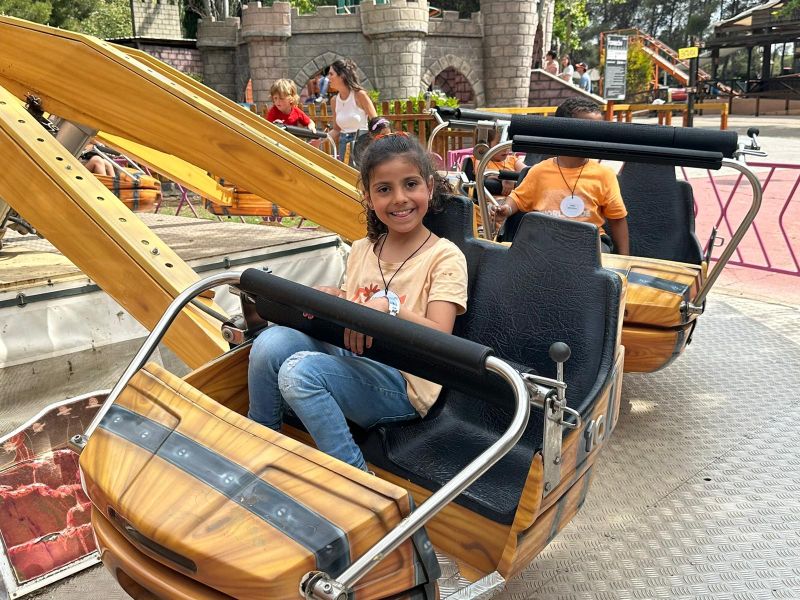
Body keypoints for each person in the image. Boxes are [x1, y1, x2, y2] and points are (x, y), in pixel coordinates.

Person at [247, 134, 468, 471]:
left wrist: (390, 306)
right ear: (368, 197)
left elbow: (441, 335)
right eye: (384, 189)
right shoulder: (363, 249)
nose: (399, 198)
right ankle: (261, 446)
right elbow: (355, 308)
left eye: (410, 184)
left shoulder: (445, 256)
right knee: (269, 343)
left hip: (405, 380)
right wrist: (333, 301)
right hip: (353, 358)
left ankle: (359, 480)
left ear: (429, 187)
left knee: (299, 373)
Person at [492, 98, 630, 254]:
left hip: (589, 241)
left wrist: (625, 258)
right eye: (588, 132)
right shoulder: (539, 171)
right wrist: (506, 209)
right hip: (547, 239)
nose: (595, 138)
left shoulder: (604, 175)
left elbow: (617, 219)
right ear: (562, 132)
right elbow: (518, 198)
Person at [328, 59, 378, 162]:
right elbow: (336, 130)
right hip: (343, 147)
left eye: (331, 74)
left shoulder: (360, 95)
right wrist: (320, 140)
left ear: (342, 76)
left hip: (361, 145)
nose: (328, 77)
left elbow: (376, 123)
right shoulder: (334, 100)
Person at [466, 128, 526, 197]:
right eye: (499, 143)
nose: (505, 148)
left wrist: (511, 180)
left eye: (507, 143)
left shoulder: (513, 160)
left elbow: (529, 173)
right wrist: (505, 178)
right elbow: (481, 172)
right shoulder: (481, 160)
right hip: (488, 201)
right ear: (485, 145)